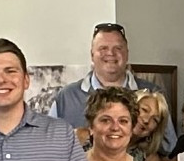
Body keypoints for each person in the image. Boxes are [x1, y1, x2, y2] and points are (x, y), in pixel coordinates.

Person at [52, 23, 175, 152]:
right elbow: (48, 147)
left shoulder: (152, 95)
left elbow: (169, 149)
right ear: (92, 54)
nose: (110, 53)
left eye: (118, 48)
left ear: (127, 54)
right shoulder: (66, 97)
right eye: (103, 48)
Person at [130, 88, 171, 161]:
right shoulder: (101, 141)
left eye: (155, 119)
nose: (146, 120)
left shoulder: (151, 160)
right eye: (144, 110)